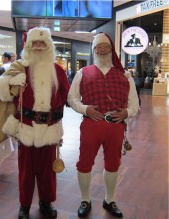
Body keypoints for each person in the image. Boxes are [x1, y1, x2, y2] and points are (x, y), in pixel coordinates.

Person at [0, 27, 70, 219]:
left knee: (47, 171)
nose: (38, 46)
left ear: (48, 46)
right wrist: (11, 83)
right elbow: (2, 92)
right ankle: (25, 206)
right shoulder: (20, 67)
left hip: (50, 128)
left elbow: (67, 96)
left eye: (42, 43)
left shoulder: (58, 71)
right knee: (26, 170)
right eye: (34, 43)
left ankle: (46, 202)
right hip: (26, 127)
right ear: (28, 46)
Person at [67, 32, 139, 218]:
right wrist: (85, 109)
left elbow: (135, 104)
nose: (102, 49)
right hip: (91, 124)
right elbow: (72, 98)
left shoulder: (125, 75)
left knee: (113, 163)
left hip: (116, 126)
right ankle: (85, 199)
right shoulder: (83, 72)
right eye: (99, 46)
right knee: (84, 163)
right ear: (94, 50)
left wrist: (127, 113)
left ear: (111, 49)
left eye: (106, 46)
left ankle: (110, 199)